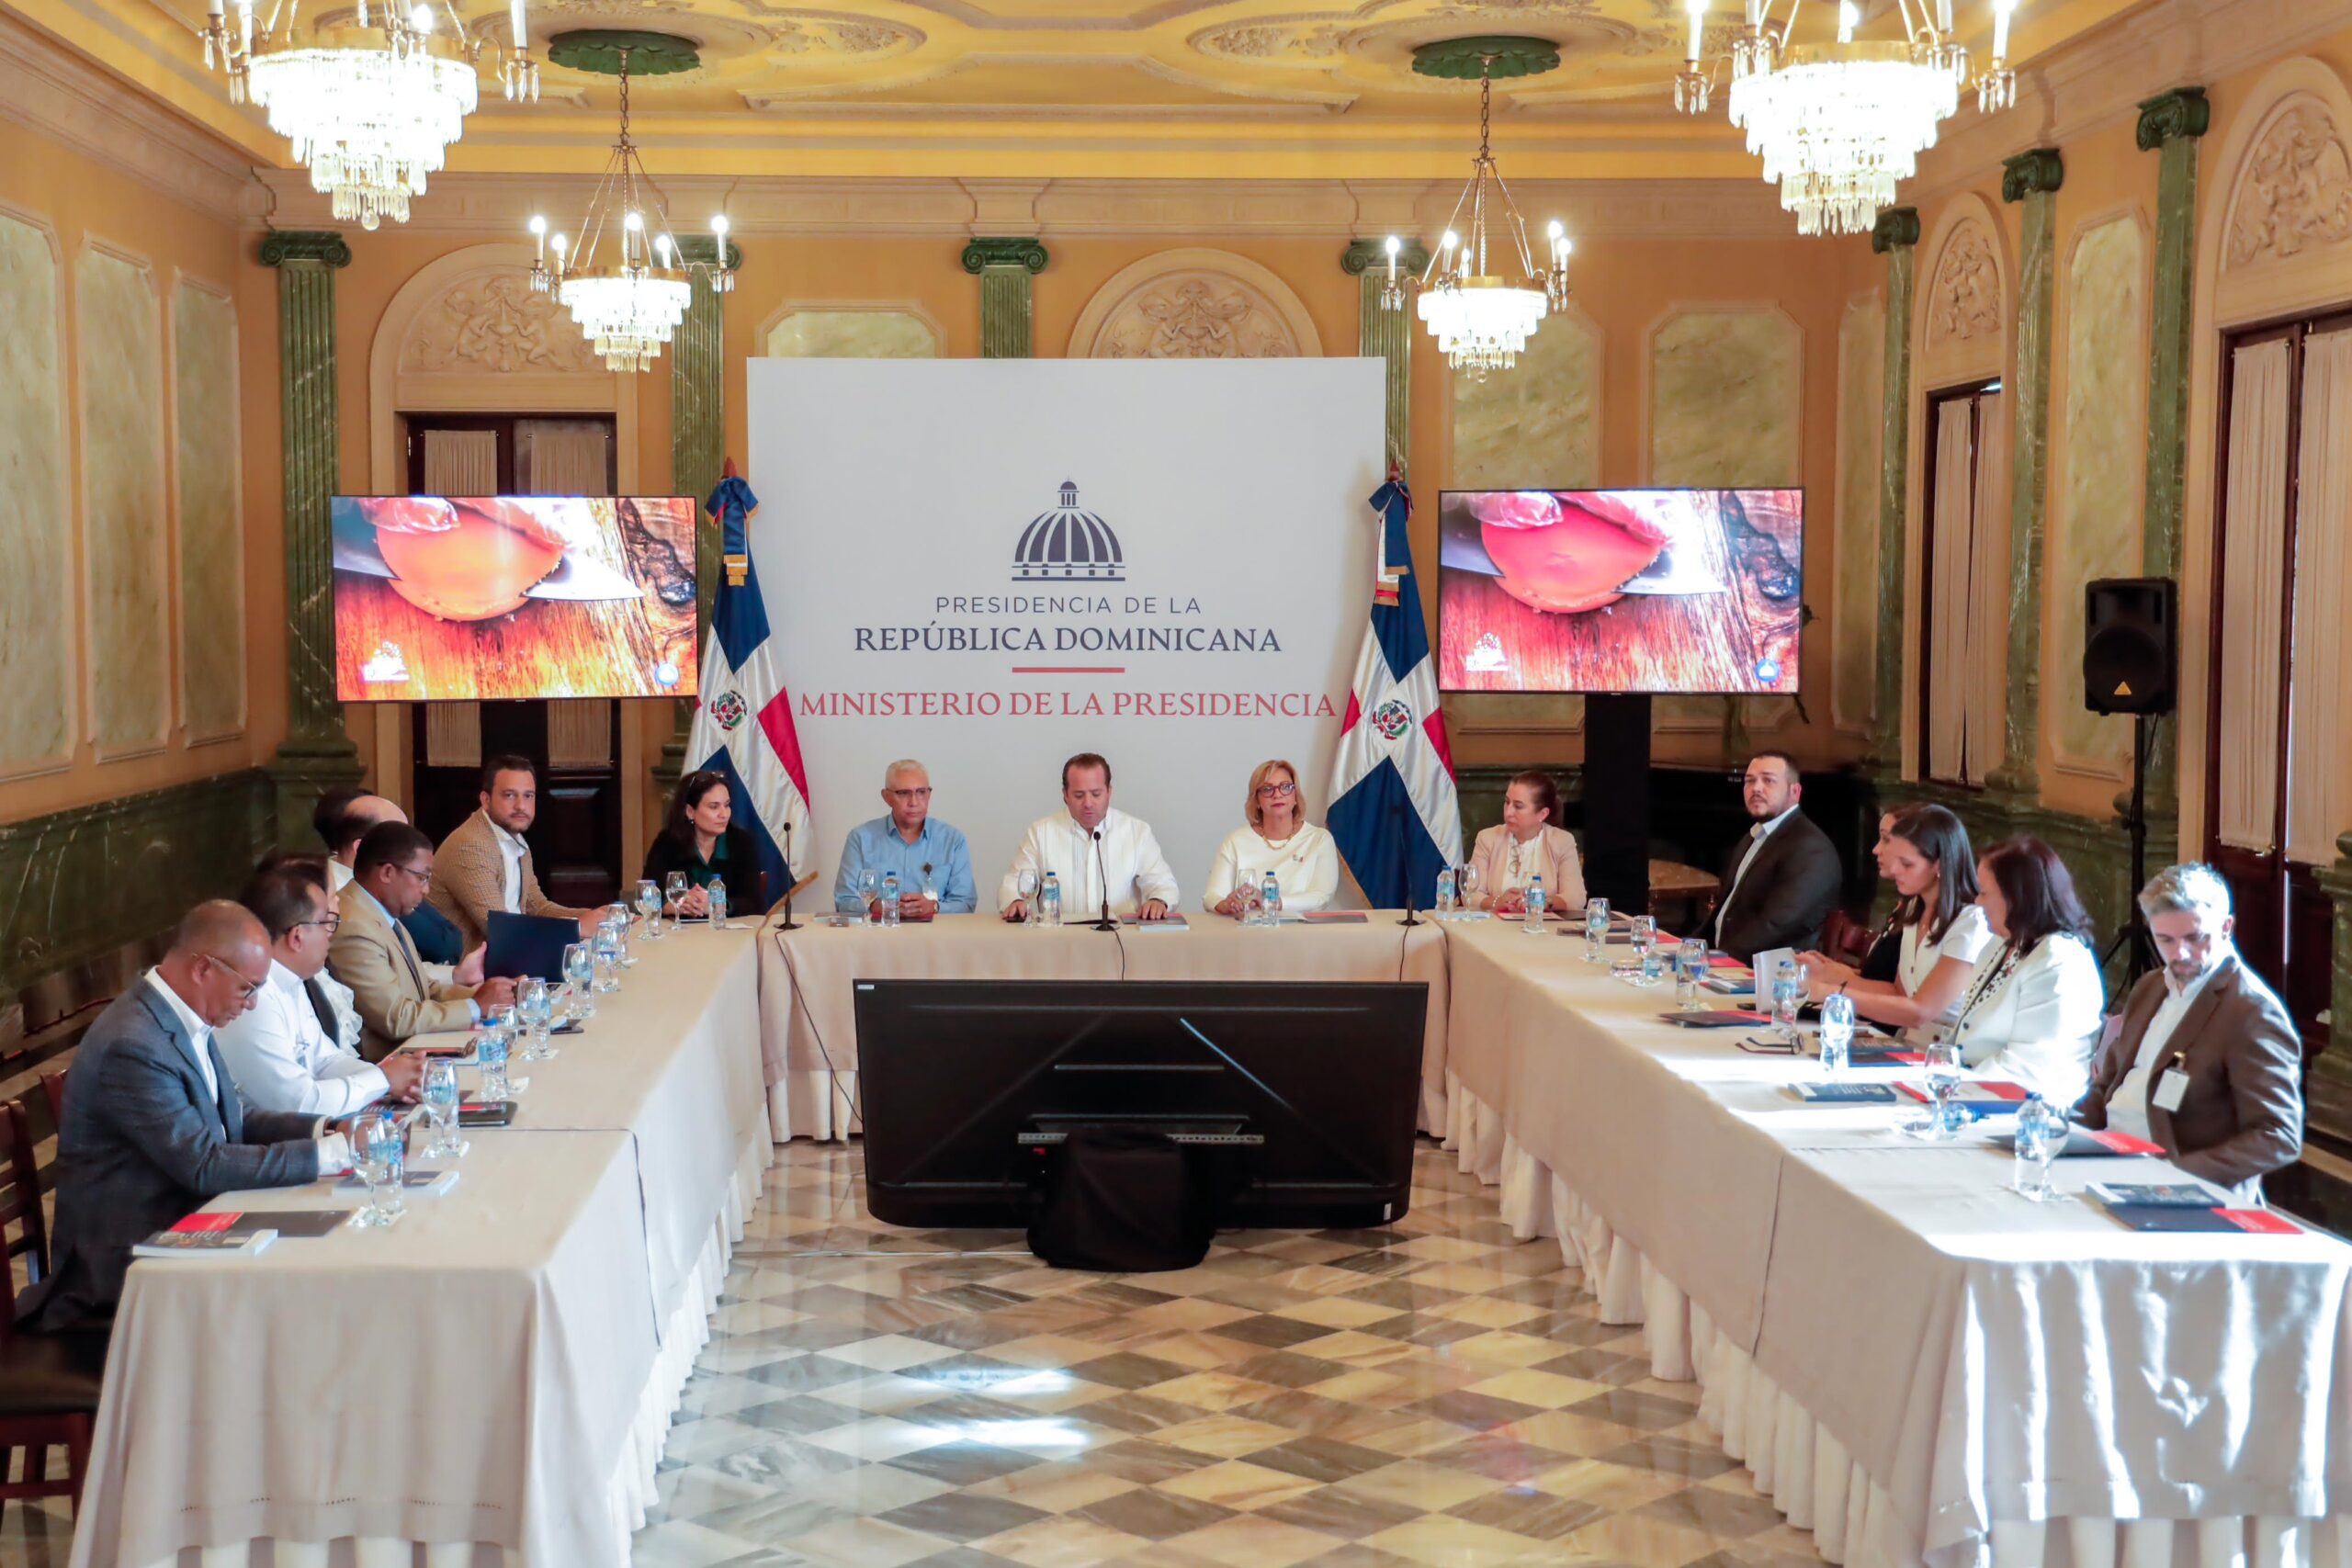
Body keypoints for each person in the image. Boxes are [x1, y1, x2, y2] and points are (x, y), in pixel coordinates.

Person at [17, 902, 355, 1332]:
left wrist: (325, 1129)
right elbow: (204, 1164)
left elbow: (233, 1116)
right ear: (203, 969)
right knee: (303, 1296)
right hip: (125, 1270)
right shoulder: (133, 1044)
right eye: (248, 989)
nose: (252, 1004)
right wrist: (329, 1155)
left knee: (323, 1253)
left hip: (188, 1227)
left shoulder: (182, 1015)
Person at [2078, 863, 2303, 1201]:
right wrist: (2061, 1131)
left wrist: (2174, 1174)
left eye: (2195, 938)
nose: (2179, 954)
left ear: (2226, 927)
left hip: (2176, 1186)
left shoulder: (2251, 1011)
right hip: (2107, 1158)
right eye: (2165, 939)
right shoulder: (2151, 987)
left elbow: (2279, 1136)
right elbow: (2107, 1087)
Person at [218, 866, 425, 1116]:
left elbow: (326, 1060)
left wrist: (397, 1076)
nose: (330, 935)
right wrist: (383, 1079)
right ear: (297, 937)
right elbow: (300, 1103)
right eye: (327, 923)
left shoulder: (292, 981)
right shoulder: (255, 998)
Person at [1799, 805, 1992, 1042]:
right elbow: (1898, 992)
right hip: (1908, 1043)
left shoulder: (1970, 923)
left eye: (1907, 864)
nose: (1895, 869)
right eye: (1896, 860)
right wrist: (1831, 975)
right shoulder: (1913, 909)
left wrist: (1832, 992)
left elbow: (1920, 1012)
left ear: (1939, 865)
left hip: (1946, 1051)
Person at [1947, 836, 2106, 1106]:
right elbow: (1967, 1036)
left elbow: (2029, 1067)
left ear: (2016, 897)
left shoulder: (2059, 959)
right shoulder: (2002, 943)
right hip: (1977, 1091)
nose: (1977, 901)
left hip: (2031, 1109)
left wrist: (1953, 1084)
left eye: (1984, 893)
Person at [334, 822, 512, 1060]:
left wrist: (493, 996)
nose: (426, 890)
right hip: (391, 1064)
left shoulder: (383, 914)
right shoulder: (354, 924)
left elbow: (426, 990)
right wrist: (476, 1006)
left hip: (419, 1048)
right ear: (387, 873)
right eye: (422, 878)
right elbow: (395, 1018)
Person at [426, 755, 600, 948]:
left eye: (528, 796)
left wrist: (598, 917)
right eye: (509, 795)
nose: (521, 806)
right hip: (471, 963)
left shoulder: (513, 838)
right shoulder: (471, 846)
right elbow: (500, 929)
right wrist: (576, 927)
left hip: (512, 950)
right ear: (485, 800)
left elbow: (537, 907)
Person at [1001, 753, 1178, 921]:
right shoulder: (1040, 833)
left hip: (1121, 938)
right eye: (1079, 795)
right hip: (1060, 937)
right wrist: (1016, 901)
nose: (1088, 803)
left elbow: (1164, 885)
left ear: (1109, 792)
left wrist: (1158, 901)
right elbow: (1013, 883)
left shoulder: (1137, 832)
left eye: (1096, 794)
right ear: (1065, 794)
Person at [1709, 750, 1842, 962]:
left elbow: (1774, 925)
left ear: (1795, 792)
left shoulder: (1810, 848)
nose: (1756, 788)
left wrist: (1717, 960)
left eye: (1768, 780)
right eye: (1749, 781)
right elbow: (1724, 911)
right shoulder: (1753, 836)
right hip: (1729, 962)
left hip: (1771, 973)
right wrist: (1689, 949)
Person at [316, 787, 464, 964]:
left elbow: (452, 937)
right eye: (401, 841)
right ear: (361, 848)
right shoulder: (330, 894)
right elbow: (442, 946)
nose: (412, 848)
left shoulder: (398, 878)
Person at [833, 760, 978, 919]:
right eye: (904, 793)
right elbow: (843, 901)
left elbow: (966, 903)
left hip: (936, 932)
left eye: (921, 792)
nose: (914, 802)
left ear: (929, 795)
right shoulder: (861, 838)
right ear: (887, 797)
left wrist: (934, 907)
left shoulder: (952, 840)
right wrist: (875, 906)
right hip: (880, 932)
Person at [1204, 760, 1340, 917]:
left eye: (1286, 787)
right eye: (1267, 789)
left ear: (1295, 796)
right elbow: (1211, 896)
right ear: (1257, 800)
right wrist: (1225, 904)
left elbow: (1321, 897)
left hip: (1301, 929)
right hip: (1247, 929)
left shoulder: (1319, 839)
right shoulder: (1235, 841)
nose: (1277, 794)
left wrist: (1271, 901)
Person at [645, 770, 775, 919]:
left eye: (727, 805)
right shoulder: (667, 842)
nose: (724, 814)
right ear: (690, 811)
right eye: (714, 807)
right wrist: (671, 906)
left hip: (726, 931)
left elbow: (755, 904)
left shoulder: (741, 842)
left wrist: (718, 905)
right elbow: (647, 894)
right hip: (680, 931)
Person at [1464, 771, 1586, 917]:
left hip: (1541, 927)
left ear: (1542, 814)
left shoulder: (1561, 841)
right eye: (1507, 802)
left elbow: (1576, 898)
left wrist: (1543, 901)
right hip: (1495, 926)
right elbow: (1469, 894)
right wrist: (1497, 902)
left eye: (1518, 806)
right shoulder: (1487, 838)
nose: (1508, 812)